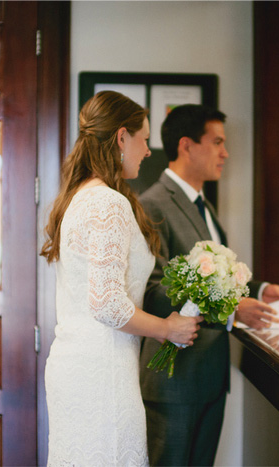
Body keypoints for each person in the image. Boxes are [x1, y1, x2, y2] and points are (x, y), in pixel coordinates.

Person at [41, 91, 203, 466]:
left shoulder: (81, 196)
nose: (148, 150)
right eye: (144, 139)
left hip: (79, 366)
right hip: (102, 373)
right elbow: (108, 304)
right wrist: (168, 329)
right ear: (120, 137)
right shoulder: (107, 204)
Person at [138, 104, 279, 466]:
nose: (225, 152)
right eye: (217, 142)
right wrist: (234, 309)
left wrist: (259, 289)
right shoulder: (152, 205)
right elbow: (155, 292)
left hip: (208, 377)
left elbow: (217, 280)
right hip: (175, 381)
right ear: (186, 145)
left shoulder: (203, 206)